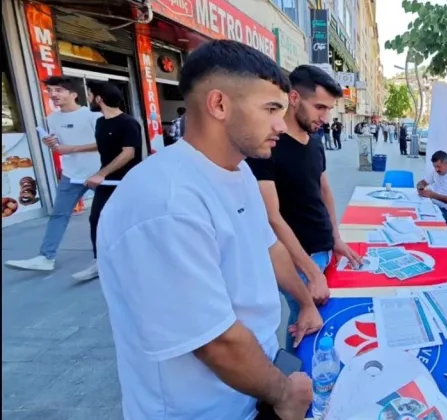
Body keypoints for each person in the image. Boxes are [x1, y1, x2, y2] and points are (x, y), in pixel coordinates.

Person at [95, 40, 318, 420]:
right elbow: (215, 343)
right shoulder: (166, 203)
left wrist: (306, 301)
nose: (282, 124)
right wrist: (284, 393)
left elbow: (269, 248)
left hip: (255, 384)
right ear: (219, 105)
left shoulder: (239, 168)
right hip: (203, 407)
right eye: (270, 109)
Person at [247, 65, 362, 354]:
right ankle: (295, 381)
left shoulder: (316, 143)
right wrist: (311, 272)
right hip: (296, 262)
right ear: (294, 98)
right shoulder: (269, 146)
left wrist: (336, 238)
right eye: (319, 107)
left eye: (329, 109)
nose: (325, 117)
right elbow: (271, 218)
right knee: (305, 327)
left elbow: (324, 191)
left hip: (322, 251)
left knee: (318, 324)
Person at [5, 76, 101, 274]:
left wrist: (71, 148)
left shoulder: (92, 116)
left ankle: (103, 258)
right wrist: (52, 145)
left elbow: (104, 144)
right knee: (58, 215)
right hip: (71, 175)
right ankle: (46, 257)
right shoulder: (52, 119)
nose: (53, 95)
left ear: (73, 94)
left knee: (102, 216)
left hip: (99, 173)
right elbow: (59, 148)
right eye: (50, 90)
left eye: (59, 90)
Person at [66, 82, 143, 282]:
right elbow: (102, 145)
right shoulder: (101, 123)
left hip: (127, 183)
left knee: (129, 222)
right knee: (96, 219)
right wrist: (72, 149)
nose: (89, 98)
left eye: (90, 95)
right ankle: (99, 262)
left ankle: (138, 259)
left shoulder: (128, 123)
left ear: (99, 99)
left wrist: (101, 174)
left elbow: (128, 153)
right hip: (106, 183)